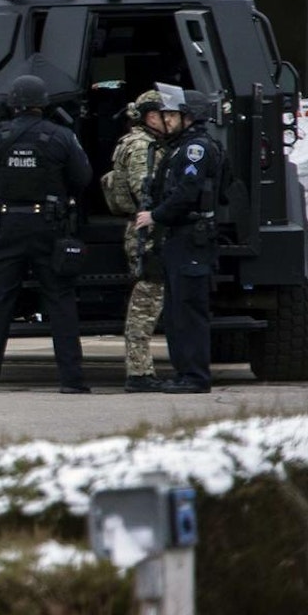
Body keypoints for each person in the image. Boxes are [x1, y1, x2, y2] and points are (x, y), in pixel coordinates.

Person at [0, 74, 95, 393]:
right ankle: (72, 381)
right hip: (49, 227)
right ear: (43, 104)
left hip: (6, 225)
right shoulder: (61, 136)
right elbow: (84, 177)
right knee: (61, 302)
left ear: (11, 104)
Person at [136, 90, 222, 394]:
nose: (167, 121)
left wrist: (155, 216)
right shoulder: (181, 148)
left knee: (188, 310)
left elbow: (186, 192)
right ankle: (184, 373)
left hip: (190, 236)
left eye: (173, 116)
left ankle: (195, 376)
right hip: (179, 237)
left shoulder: (195, 149)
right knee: (176, 311)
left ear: (190, 117)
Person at [101, 94, 170, 392]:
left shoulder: (143, 142)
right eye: (161, 114)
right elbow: (146, 190)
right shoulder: (143, 146)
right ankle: (139, 373)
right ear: (147, 116)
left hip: (148, 227)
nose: (167, 119)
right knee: (146, 300)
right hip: (147, 230)